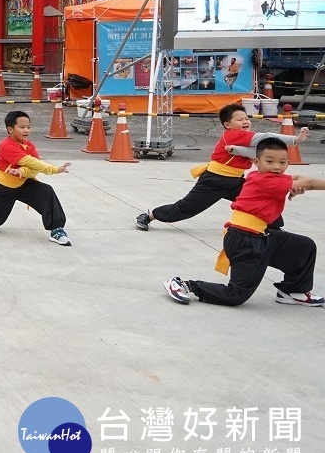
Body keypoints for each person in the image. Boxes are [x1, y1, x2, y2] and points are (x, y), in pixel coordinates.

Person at [164, 140, 325, 307]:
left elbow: (299, 178)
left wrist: (296, 187)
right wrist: (299, 186)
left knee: (304, 247)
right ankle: (185, 284)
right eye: (269, 161)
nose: (276, 167)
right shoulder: (265, 181)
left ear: (288, 163)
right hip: (244, 241)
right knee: (235, 296)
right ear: (256, 162)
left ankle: (294, 291)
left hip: (260, 235)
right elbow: (309, 183)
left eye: (282, 162)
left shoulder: (262, 176)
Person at [135, 102, 308, 230]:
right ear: (228, 125)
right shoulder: (233, 135)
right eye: (239, 119)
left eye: (246, 118)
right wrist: (294, 140)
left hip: (235, 181)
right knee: (184, 209)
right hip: (214, 181)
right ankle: (149, 216)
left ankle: (275, 229)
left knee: (261, 199)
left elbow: (257, 154)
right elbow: (265, 139)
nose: (245, 121)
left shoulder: (242, 138)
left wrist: (237, 150)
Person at [0, 110, 73, 246]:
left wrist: (22, 171)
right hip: (3, 188)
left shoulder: (29, 146)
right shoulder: (6, 146)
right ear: (10, 129)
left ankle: (56, 229)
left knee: (46, 191)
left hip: (23, 184)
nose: (26, 130)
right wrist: (55, 169)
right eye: (22, 127)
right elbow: (32, 162)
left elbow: (34, 169)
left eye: (28, 127)